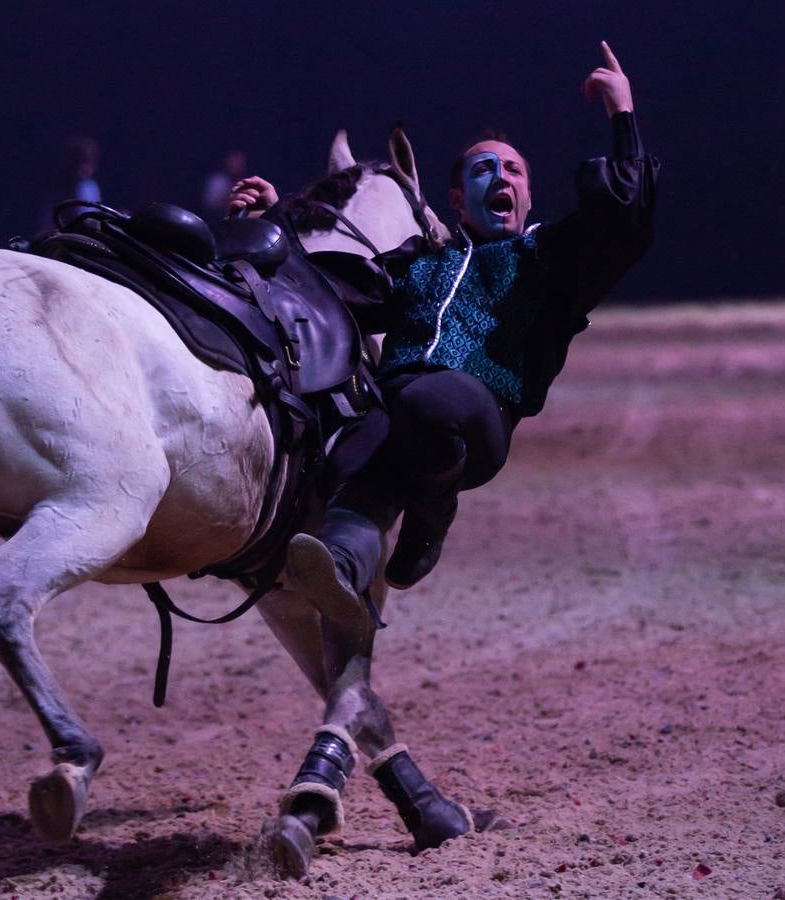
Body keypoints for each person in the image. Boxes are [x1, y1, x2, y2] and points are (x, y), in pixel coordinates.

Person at [229, 41, 658, 618]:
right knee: (357, 466)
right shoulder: (419, 265)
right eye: (483, 169)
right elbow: (328, 291)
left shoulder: (549, 258)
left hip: (477, 415)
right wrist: (275, 220)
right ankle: (341, 573)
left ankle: (432, 518)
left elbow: (623, 221)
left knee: (427, 399)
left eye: (512, 169)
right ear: (456, 200)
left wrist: (622, 114)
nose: (499, 175)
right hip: (403, 412)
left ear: (528, 196)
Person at [39, 135, 102, 229]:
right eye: (79, 162)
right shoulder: (58, 190)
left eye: (87, 162)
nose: (84, 168)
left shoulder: (90, 187)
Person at [202, 149, 249, 219]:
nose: (235, 165)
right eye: (232, 162)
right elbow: (209, 204)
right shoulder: (217, 180)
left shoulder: (248, 182)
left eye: (239, 163)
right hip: (216, 219)